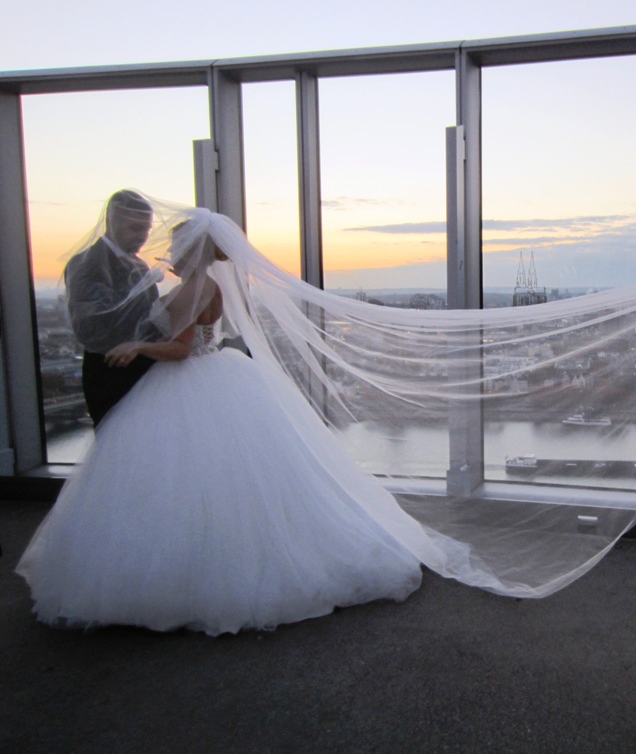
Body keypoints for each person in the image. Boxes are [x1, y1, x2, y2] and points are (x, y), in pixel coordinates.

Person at [17, 210, 427, 635]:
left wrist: (137, 345)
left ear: (192, 250)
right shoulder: (199, 285)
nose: (166, 252)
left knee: (182, 482)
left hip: (186, 381)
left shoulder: (194, 287)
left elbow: (179, 349)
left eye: (175, 245)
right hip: (213, 377)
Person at [64, 190, 160, 426]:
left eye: (147, 229)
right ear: (111, 222)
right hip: (110, 374)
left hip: (143, 370)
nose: (143, 237)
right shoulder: (84, 264)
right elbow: (90, 325)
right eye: (135, 228)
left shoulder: (139, 264)